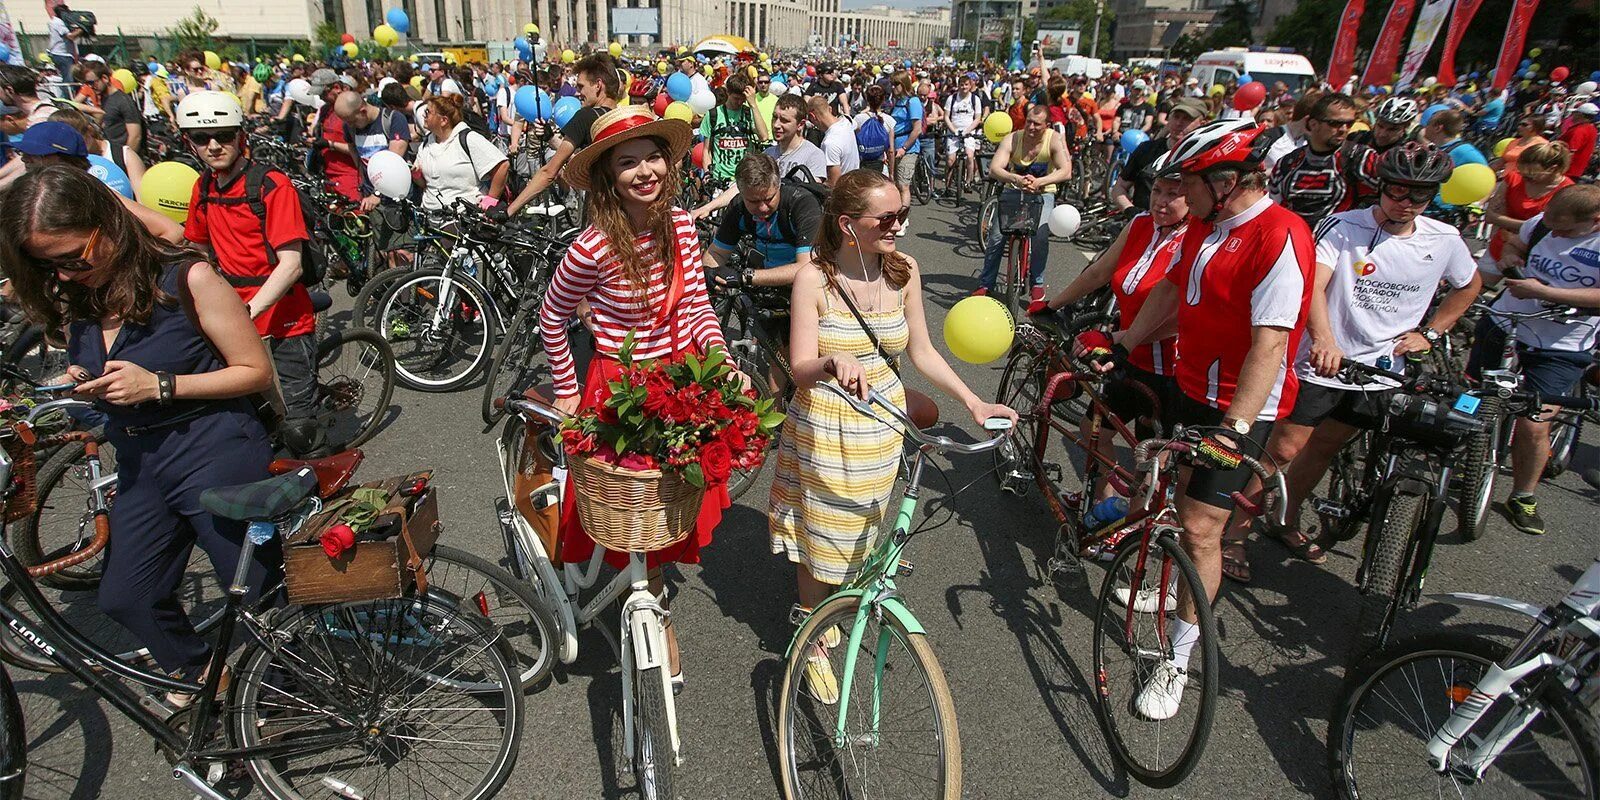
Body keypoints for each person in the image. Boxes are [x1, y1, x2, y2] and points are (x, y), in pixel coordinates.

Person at [0, 165, 281, 707]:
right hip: (140, 458)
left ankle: (295, 692)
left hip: (213, 446)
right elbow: (105, 362)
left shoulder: (187, 278)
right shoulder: (82, 297)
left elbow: (254, 371)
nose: (64, 275)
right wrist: (81, 381)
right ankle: (204, 674)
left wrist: (160, 385)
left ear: (106, 224)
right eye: (48, 266)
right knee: (127, 595)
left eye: (73, 258)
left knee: (258, 595)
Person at [768, 168, 1016, 700]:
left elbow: (922, 351)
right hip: (828, 426)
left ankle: (833, 609)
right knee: (821, 540)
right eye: (887, 218)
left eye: (901, 215)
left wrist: (973, 401)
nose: (899, 226)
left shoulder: (904, 270)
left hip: (883, 428)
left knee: (862, 531)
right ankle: (812, 634)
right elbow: (800, 369)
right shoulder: (814, 278)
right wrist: (832, 361)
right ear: (847, 225)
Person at [1115, 119, 1314, 718]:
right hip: (1188, 387)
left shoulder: (1280, 235)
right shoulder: (1206, 226)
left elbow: (1271, 343)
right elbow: (1172, 293)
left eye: (1190, 182)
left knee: (1203, 530)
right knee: (1180, 506)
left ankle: (1176, 660)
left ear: (1225, 183)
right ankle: (1172, 590)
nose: (1180, 192)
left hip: (1238, 406)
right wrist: (1124, 342)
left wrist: (1235, 429)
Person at [1221, 143, 1481, 580]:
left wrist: (1431, 333)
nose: (1405, 203)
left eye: (1419, 195)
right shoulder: (1345, 226)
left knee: (1324, 447)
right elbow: (1313, 285)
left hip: (1380, 372)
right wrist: (1324, 339)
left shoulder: (1445, 239)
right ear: (1381, 186)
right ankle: (1236, 534)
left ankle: (1284, 519)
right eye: (1397, 191)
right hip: (1323, 363)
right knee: (1282, 450)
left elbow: (1468, 285)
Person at [539, 107, 727, 690]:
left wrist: (721, 364)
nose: (645, 171)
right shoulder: (592, 246)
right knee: (630, 507)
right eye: (628, 163)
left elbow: (696, 306)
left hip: (678, 380)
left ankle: (652, 597)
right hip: (618, 388)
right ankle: (651, 604)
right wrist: (567, 391)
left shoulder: (682, 225)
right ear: (608, 176)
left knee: (671, 502)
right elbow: (552, 317)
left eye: (652, 157)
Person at [176, 92, 322, 456]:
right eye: (201, 138)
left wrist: (248, 311)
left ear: (241, 136)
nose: (213, 146)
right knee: (252, 414)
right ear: (188, 142)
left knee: (300, 429)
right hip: (234, 314)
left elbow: (291, 264)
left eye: (224, 135)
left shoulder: (271, 184)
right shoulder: (203, 187)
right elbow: (196, 251)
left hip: (283, 314)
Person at [1036, 163, 1189, 494]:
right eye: (1157, 191)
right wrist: (1052, 306)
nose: (1161, 201)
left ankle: (1134, 514)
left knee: (1150, 463)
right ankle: (1107, 502)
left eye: (1173, 194)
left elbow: (1177, 321)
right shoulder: (1141, 224)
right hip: (1126, 357)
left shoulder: (1194, 242)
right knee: (1094, 431)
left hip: (1167, 372)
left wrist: (1113, 338)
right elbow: (1099, 272)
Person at [1468, 184, 1600, 535]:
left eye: (1565, 231)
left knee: (1533, 424)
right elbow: (1515, 241)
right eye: (1551, 225)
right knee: (1470, 397)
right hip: (1505, 322)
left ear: (1596, 220)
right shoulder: (1543, 223)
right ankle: (1466, 459)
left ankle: (1523, 494)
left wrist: (1544, 291)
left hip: (1561, 344)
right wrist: (1511, 257)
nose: (1555, 234)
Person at [0, 120, 181, 242]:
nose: (24, 159)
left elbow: (172, 230)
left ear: (63, 158)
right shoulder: (35, 198)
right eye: (22, 152)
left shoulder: (96, 194)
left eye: (34, 154)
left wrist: (129, 272)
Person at [974, 104, 1073, 312]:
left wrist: (1040, 182)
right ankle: (986, 283)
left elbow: (1065, 171)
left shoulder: (1054, 139)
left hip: (1043, 192)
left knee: (1040, 235)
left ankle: (1037, 283)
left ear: (1047, 125)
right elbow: (995, 168)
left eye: (1037, 124)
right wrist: (1015, 178)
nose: (1031, 127)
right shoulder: (1013, 138)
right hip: (1014, 190)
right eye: (1029, 122)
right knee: (996, 236)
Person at [506, 54, 623, 217]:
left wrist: (509, 211)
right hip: (627, 208)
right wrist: (550, 137)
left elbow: (549, 173)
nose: (578, 93)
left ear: (598, 85)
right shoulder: (623, 117)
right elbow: (584, 159)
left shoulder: (585, 116)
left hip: (601, 212)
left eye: (581, 87)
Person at [704, 153, 821, 283]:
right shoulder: (739, 206)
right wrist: (710, 275)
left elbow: (807, 268)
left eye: (768, 199)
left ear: (778, 186)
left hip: (805, 281)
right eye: (753, 201)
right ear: (741, 193)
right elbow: (716, 253)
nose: (763, 208)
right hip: (763, 280)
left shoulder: (802, 204)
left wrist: (745, 277)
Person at [1268, 93, 1380, 227]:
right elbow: (1274, 209)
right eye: (1335, 124)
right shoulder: (1287, 163)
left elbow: (1393, 197)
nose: (1343, 129)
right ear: (1313, 124)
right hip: (1296, 236)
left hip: (1343, 237)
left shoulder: (1361, 158)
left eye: (1349, 123)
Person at [1481, 142, 1573, 273]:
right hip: (1501, 243)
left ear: (1553, 169)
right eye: (1521, 171)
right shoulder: (1514, 178)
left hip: (1535, 254)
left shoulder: (1567, 192)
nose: (1524, 177)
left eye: (1531, 174)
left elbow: (1549, 230)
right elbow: (1490, 216)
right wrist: (1530, 226)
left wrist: (1505, 220)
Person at [414, 93, 509, 212]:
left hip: (464, 216)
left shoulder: (469, 138)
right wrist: (416, 175)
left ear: (443, 120)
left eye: (428, 112)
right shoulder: (426, 144)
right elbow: (426, 184)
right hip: (430, 216)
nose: (423, 115)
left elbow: (502, 165)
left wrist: (491, 199)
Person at [1114, 96, 1209, 212]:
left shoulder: (1205, 156)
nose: (1178, 123)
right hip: (1142, 218)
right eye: (1176, 116)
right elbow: (1120, 187)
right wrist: (1130, 210)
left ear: (1202, 124)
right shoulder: (1147, 149)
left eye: (1187, 119)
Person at [699, 74, 770, 186]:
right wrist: (708, 173)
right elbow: (707, 150)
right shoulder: (713, 115)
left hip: (746, 178)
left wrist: (753, 104)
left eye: (743, 99)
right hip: (721, 179)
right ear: (728, 93)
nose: (739, 102)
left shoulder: (749, 113)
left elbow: (764, 136)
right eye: (736, 98)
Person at [307, 69, 361, 203]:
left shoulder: (351, 110)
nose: (320, 98)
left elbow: (359, 149)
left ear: (336, 88)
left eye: (323, 94)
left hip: (350, 176)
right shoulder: (325, 109)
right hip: (328, 175)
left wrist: (330, 144)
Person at [886, 73, 924, 229]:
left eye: (896, 84)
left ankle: (902, 220)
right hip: (894, 148)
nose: (893, 87)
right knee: (895, 185)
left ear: (904, 84)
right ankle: (897, 218)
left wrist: (904, 148)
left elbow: (917, 129)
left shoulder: (912, 101)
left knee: (903, 185)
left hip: (907, 149)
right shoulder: (897, 101)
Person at [90, 62, 144, 175]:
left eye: (92, 82)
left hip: (124, 163)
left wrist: (124, 162)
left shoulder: (123, 100)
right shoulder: (105, 99)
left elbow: (135, 136)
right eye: (86, 83)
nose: (90, 86)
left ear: (105, 78)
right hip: (112, 159)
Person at [764, 94, 827, 183]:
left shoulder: (814, 156)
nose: (776, 125)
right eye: (775, 117)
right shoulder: (767, 155)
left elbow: (812, 190)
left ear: (800, 125)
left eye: (784, 120)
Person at [942, 73, 985, 188]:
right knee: (950, 160)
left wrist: (968, 130)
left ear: (970, 86)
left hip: (969, 131)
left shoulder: (975, 99)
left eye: (966, 85)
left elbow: (977, 118)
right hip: (953, 132)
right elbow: (946, 116)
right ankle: (947, 185)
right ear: (958, 86)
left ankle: (968, 181)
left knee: (970, 156)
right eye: (961, 85)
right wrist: (953, 130)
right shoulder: (952, 98)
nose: (964, 87)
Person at [807, 94, 858, 185]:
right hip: (856, 183)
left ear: (812, 116)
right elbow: (858, 127)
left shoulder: (829, 143)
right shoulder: (847, 121)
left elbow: (833, 183)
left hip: (844, 190)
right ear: (830, 109)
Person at [851, 84, 896, 178]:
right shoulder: (889, 120)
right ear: (883, 100)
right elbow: (891, 151)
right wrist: (891, 174)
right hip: (880, 167)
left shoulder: (858, 119)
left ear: (867, 99)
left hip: (862, 166)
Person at [1348, 96, 1418, 155]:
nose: (1382, 134)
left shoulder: (1408, 153)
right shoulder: (1357, 138)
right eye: (1380, 126)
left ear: (1405, 127)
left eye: (1392, 129)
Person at [1558, 103, 1597, 180]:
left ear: (1580, 115)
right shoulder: (1591, 129)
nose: (1573, 115)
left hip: (1567, 171)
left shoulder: (1579, 131)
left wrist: (1561, 169)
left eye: (1575, 113)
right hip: (1576, 171)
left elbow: (1570, 152)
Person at [45, 4, 84, 80]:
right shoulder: (58, 22)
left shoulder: (57, 22)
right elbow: (70, 36)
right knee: (69, 79)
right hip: (62, 55)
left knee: (68, 77)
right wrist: (82, 29)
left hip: (61, 54)